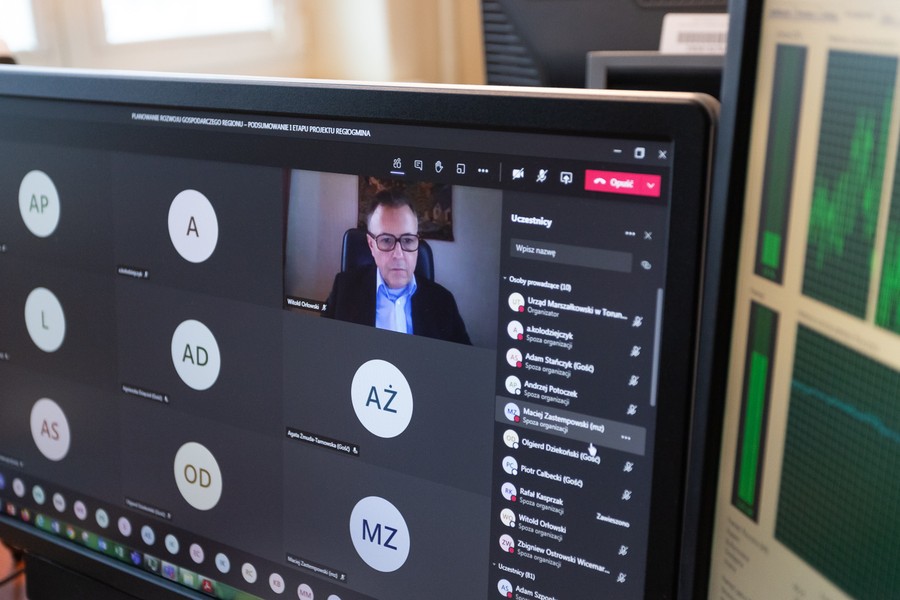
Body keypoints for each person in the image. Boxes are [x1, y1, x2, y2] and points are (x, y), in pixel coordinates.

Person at [322, 192, 471, 345]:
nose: (398, 255)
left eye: (408, 240)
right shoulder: (343, 289)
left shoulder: (444, 302)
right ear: (371, 245)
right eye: (386, 240)